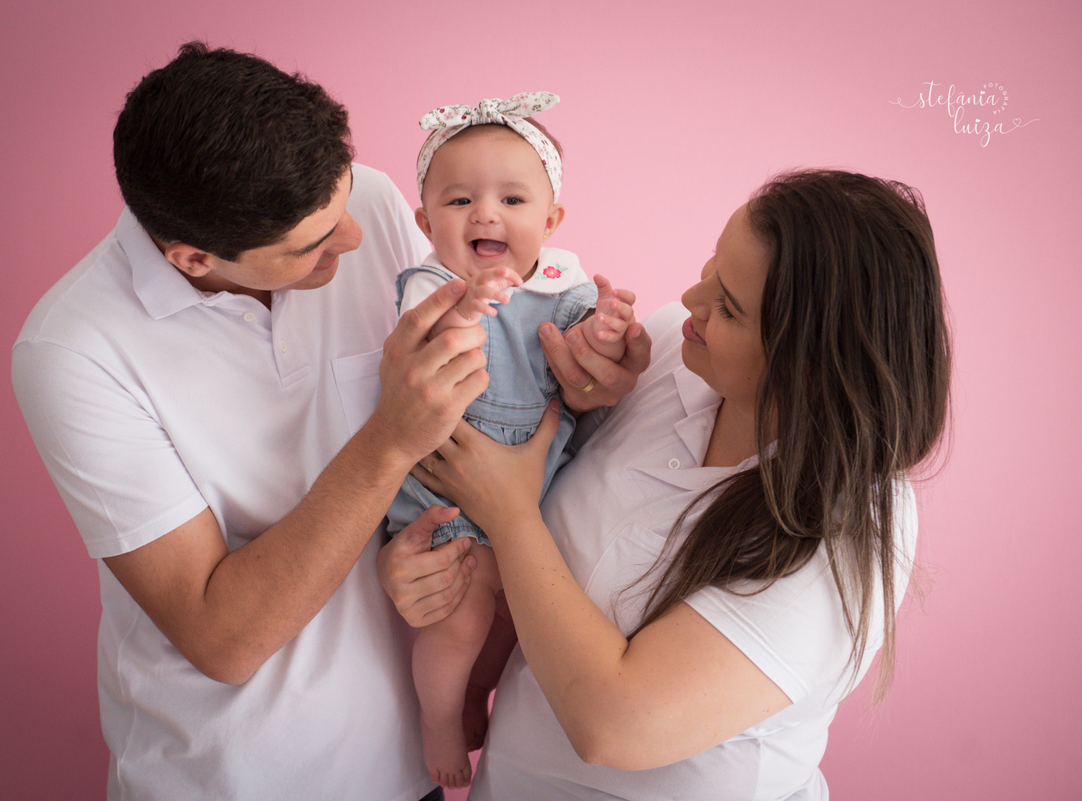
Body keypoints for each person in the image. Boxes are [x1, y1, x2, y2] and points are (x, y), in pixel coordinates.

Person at [12, 42, 647, 801]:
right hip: (236, 778)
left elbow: (496, 379)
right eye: (313, 245)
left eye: (346, 203)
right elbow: (223, 637)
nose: (355, 236)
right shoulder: (74, 351)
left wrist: (589, 379)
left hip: (405, 766)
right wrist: (391, 441)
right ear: (193, 258)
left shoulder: (362, 201)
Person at [382, 169, 951, 799]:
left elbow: (615, 726)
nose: (690, 299)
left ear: (808, 366)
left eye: (728, 306)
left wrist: (508, 512)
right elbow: (530, 541)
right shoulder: (672, 354)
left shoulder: (847, 532)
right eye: (711, 268)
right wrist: (422, 568)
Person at [385, 92, 636, 788]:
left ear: (550, 221)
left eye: (512, 200)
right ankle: (439, 718)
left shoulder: (562, 285)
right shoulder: (432, 286)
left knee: (513, 622)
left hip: (529, 498)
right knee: (461, 620)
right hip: (445, 497)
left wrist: (605, 333)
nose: (486, 214)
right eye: (460, 200)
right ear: (425, 221)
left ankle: (475, 694)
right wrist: (467, 309)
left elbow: (584, 360)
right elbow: (426, 349)